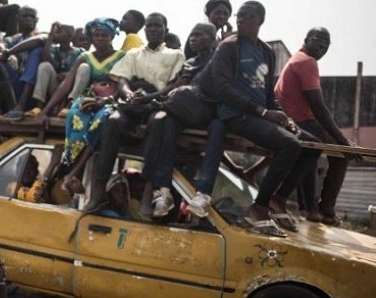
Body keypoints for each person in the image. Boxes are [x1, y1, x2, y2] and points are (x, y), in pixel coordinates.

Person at [195, 1, 321, 237]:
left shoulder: (266, 51)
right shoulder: (229, 47)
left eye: (248, 16)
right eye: (240, 16)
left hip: (258, 114)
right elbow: (222, 89)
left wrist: (282, 116)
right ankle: (259, 207)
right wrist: (263, 113)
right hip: (234, 115)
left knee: (314, 147)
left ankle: (279, 199)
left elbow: (267, 94)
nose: (241, 20)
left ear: (260, 21)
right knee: (290, 145)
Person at [84, 13, 185, 214]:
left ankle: (148, 192)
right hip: (132, 103)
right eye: (149, 26)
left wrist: (149, 97)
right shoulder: (133, 53)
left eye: (157, 26)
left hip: (156, 104)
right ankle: (98, 191)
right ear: (144, 29)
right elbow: (121, 80)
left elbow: (175, 85)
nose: (153, 29)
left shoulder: (175, 55)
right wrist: (129, 94)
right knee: (112, 120)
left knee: (159, 122)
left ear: (166, 28)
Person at [275, 27, 354, 225]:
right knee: (343, 154)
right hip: (302, 123)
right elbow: (319, 108)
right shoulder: (306, 62)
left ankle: (311, 208)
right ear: (306, 39)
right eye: (319, 40)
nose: (323, 46)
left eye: (327, 44)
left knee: (312, 152)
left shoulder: (296, 59)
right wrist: (343, 142)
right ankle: (326, 209)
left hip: (295, 123)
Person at [146, 22, 225, 218]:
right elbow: (174, 90)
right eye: (192, 35)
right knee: (168, 123)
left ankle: (203, 192)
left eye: (199, 35)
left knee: (219, 127)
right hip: (187, 113)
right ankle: (162, 190)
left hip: (211, 113)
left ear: (212, 39)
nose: (193, 39)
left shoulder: (220, 61)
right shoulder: (188, 64)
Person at [40, 17, 125, 194]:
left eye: (104, 35)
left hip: (110, 100)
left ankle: (74, 171)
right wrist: (45, 111)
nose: (100, 39)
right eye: (96, 35)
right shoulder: (85, 57)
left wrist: (107, 99)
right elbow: (66, 85)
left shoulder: (121, 56)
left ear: (111, 37)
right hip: (89, 98)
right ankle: (68, 169)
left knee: (102, 120)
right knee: (76, 116)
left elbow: (124, 84)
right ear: (92, 38)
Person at [0, 6, 44, 121]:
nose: (29, 19)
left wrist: (7, 52)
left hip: (30, 91)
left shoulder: (42, 36)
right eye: (25, 16)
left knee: (36, 51)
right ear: (18, 19)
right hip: (12, 86)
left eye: (32, 16)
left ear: (36, 20)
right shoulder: (12, 39)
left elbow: (37, 41)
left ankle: (21, 106)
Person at [30, 23, 84, 117]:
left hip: (70, 87)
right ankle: (39, 106)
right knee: (45, 66)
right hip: (55, 86)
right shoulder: (55, 50)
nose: (56, 34)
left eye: (60, 32)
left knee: (82, 70)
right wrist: (51, 35)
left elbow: (84, 72)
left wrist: (69, 74)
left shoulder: (79, 52)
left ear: (69, 36)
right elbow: (46, 57)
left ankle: (69, 106)